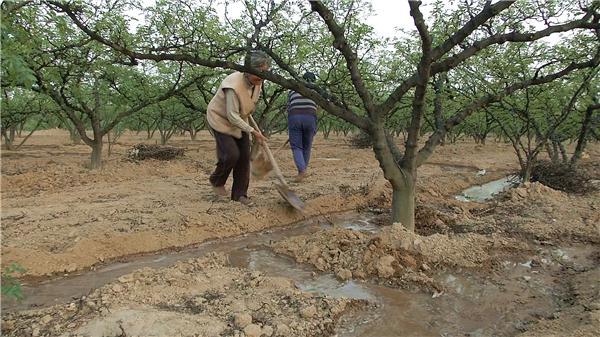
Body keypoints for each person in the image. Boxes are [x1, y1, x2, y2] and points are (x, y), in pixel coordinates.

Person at [206, 50, 270, 205]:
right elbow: (232, 115)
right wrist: (253, 132)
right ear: (248, 70)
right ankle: (217, 180)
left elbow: (245, 106)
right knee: (231, 154)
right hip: (220, 119)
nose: (262, 76)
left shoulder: (257, 83)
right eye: (259, 72)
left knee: (243, 157)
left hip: (240, 120)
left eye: (265, 72)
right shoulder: (232, 85)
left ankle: (240, 195)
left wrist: (252, 129)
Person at [287, 71, 318, 181]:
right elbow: (317, 107)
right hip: (310, 118)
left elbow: (289, 107)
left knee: (296, 147)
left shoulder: (293, 90)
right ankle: (303, 170)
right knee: (307, 146)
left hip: (295, 117)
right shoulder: (316, 91)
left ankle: (302, 170)